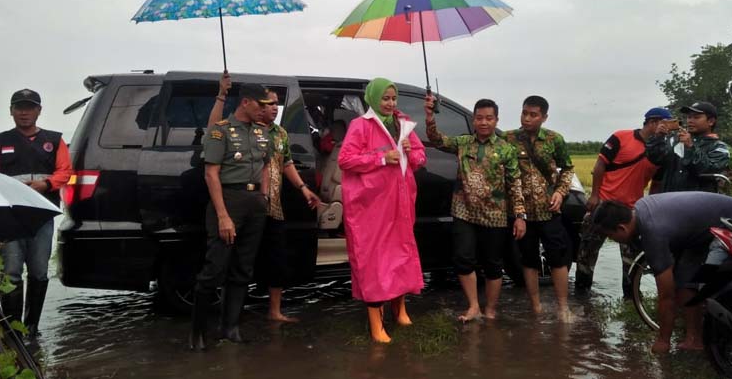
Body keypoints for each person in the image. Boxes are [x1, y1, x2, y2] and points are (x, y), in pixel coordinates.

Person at [207, 80, 322, 322]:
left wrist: (303, 188)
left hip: (271, 207)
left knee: (275, 256)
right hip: (242, 204)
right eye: (267, 104)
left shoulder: (279, 134)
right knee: (233, 260)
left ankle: (273, 311)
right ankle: (227, 318)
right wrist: (221, 95)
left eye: (276, 104)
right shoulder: (240, 128)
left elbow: (285, 163)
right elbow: (213, 130)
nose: (273, 108)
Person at [591, 192, 732, 353]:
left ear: (622, 228)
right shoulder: (640, 209)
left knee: (710, 289)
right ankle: (694, 340)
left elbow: (666, 296)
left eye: (611, 237)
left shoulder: (652, 231)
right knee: (684, 281)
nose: (613, 241)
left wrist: (663, 341)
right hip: (704, 235)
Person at [338, 77, 426, 343]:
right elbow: (345, 159)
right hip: (370, 206)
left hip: (400, 202)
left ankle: (400, 309)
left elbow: (421, 158)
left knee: (400, 254)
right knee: (374, 261)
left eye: (393, 98)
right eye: (385, 98)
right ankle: (376, 322)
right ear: (374, 99)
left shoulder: (404, 123)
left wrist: (411, 151)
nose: (390, 103)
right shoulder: (360, 126)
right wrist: (380, 158)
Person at [424, 95, 526, 322]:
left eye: (489, 118)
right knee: (463, 259)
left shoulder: (506, 150)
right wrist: (430, 115)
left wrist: (520, 216)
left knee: (493, 265)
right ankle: (473, 307)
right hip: (464, 212)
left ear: (496, 120)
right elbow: (437, 139)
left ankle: (490, 309)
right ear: (474, 120)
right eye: (479, 118)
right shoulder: (463, 143)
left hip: (495, 216)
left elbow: (515, 184)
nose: (484, 123)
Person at [0, 89, 73, 338]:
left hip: (42, 217)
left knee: (39, 271)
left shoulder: (55, 140)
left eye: (30, 107)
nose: (24, 112)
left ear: (39, 110)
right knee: (10, 271)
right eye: (19, 107)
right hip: (10, 219)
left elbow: (65, 172)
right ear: (11, 111)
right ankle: (12, 329)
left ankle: (32, 327)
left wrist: (46, 184)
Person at [189, 83, 273, 350]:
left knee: (243, 269)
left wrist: (265, 195)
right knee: (215, 269)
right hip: (228, 201)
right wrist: (224, 216)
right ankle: (197, 334)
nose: (265, 110)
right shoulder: (221, 130)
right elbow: (210, 174)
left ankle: (230, 328)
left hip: (254, 204)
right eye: (261, 105)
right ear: (246, 102)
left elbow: (266, 165)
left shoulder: (262, 132)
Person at [575, 107, 670, 294]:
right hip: (603, 205)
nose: (669, 130)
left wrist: (651, 208)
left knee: (632, 260)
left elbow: (656, 184)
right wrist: (594, 195)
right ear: (653, 123)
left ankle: (631, 296)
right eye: (666, 125)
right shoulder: (621, 137)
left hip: (631, 212)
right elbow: (600, 165)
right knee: (587, 252)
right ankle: (581, 295)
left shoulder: (660, 152)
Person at [503, 95, 575, 322]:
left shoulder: (555, 140)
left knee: (558, 258)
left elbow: (568, 168)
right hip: (522, 213)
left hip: (549, 210)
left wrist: (560, 192)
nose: (527, 118)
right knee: (528, 259)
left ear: (544, 117)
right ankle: (536, 308)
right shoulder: (509, 139)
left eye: (533, 115)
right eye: (524, 113)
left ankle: (563, 307)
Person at [645, 101, 732, 194]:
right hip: (670, 202)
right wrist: (657, 138)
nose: (690, 120)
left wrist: (690, 148)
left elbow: (707, 169)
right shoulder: (674, 141)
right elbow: (655, 159)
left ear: (711, 121)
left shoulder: (719, 147)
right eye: (689, 117)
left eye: (696, 117)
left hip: (698, 205)